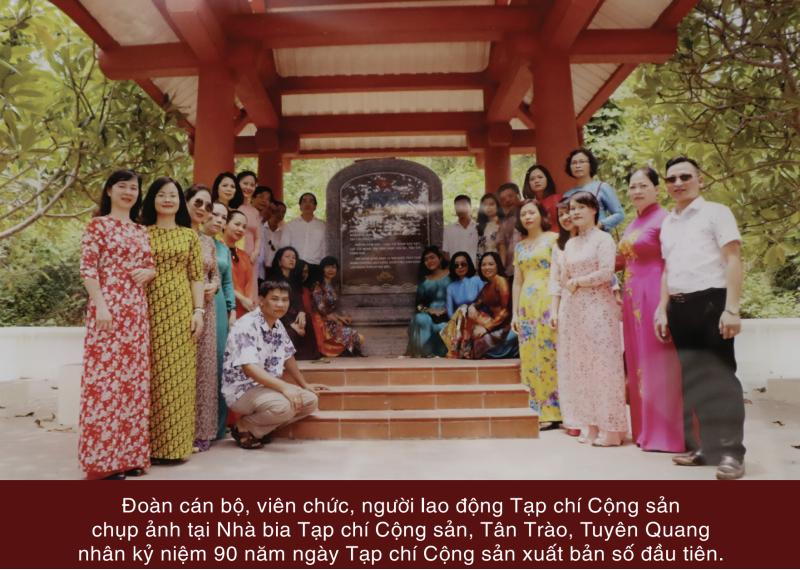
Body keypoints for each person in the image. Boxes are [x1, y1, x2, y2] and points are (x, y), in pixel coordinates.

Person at [655, 156, 746, 480]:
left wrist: (732, 309)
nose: (678, 183)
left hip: (711, 302)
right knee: (695, 380)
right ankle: (708, 448)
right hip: (679, 307)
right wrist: (662, 308)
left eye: (685, 177)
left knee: (721, 379)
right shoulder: (668, 223)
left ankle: (732, 453)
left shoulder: (716, 213)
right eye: (671, 179)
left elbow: (733, 259)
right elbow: (668, 269)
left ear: (700, 180)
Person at [79, 170, 155, 479]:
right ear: (109, 190)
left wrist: (150, 273)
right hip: (107, 309)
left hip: (136, 312)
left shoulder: (140, 230)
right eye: (122, 186)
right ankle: (103, 461)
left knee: (133, 383)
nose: (128, 192)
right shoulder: (97, 225)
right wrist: (100, 305)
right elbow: (88, 269)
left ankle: (130, 457)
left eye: (133, 188)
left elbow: (149, 265)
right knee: (105, 383)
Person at [552, 191, 626, 446]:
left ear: (594, 210)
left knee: (603, 365)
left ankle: (611, 429)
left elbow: (606, 272)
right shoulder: (570, 244)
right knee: (581, 367)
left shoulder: (603, 239)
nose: (575, 213)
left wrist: (578, 282)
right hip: (574, 309)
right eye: (572, 208)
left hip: (598, 307)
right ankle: (591, 425)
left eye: (581, 207)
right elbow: (563, 277)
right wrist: (567, 282)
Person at [618, 167, 684, 453]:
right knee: (638, 362)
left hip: (654, 293)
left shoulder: (665, 219)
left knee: (658, 363)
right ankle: (645, 430)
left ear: (657, 189)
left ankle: (667, 435)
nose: (637, 191)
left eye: (643, 185)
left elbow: (672, 262)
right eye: (633, 186)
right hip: (632, 297)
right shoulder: (634, 221)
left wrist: (665, 305)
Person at [141, 176, 204, 463]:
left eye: (173, 195)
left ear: (180, 202)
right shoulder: (142, 233)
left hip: (180, 310)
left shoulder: (189, 235)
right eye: (161, 194)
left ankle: (176, 446)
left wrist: (198, 311)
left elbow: (196, 276)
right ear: (152, 199)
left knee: (179, 376)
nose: (167, 200)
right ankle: (148, 446)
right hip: (147, 309)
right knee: (151, 376)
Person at [222, 280, 328, 449]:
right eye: (275, 299)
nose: (280, 304)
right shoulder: (246, 325)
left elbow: (288, 356)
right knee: (284, 407)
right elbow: (249, 368)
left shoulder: (277, 324)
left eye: (285, 300)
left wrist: (304, 384)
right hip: (242, 389)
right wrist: (285, 387)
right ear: (261, 300)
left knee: (310, 401)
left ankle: (256, 429)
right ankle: (243, 426)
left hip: (267, 387)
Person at [511, 199, 561, 428]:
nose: (528, 217)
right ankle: (536, 410)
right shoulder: (519, 247)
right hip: (526, 305)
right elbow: (517, 281)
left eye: (532, 212)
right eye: (523, 214)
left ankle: (555, 411)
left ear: (541, 214)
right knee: (530, 355)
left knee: (550, 352)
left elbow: (560, 273)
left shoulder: (554, 239)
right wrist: (514, 313)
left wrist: (557, 305)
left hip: (548, 299)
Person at [185, 185, 220, 452]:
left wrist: (214, 286)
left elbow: (214, 273)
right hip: (180, 307)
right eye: (198, 202)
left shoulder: (208, 241)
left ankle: (202, 431)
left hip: (206, 311)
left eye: (208, 206)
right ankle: (179, 431)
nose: (203, 209)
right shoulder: (174, 235)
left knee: (204, 371)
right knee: (180, 369)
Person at [201, 202, 236, 440]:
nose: (219, 220)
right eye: (215, 214)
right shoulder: (192, 239)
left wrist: (232, 310)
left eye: (224, 217)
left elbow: (227, 282)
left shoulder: (223, 248)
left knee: (219, 362)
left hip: (220, 306)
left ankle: (218, 426)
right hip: (194, 303)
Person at [440, 251, 516, 359]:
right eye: (483, 265)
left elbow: (505, 312)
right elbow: (478, 302)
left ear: (497, 266)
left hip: (503, 325)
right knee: (465, 309)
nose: (486, 267)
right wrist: (472, 308)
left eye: (490, 264)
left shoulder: (501, 281)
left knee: (477, 345)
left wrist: (486, 329)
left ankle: (464, 349)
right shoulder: (487, 286)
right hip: (491, 323)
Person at [548, 198, 579, 436]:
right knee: (569, 362)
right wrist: (554, 311)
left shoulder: (595, 238)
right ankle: (574, 418)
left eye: (570, 212)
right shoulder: (558, 246)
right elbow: (555, 281)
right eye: (561, 215)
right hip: (567, 305)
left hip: (593, 304)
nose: (566, 217)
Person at [268, 247, 320, 360]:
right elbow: (274, 306)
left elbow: (298, 300)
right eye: (287, 257)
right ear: (279, 261)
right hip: (279, 317)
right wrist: (291, 324)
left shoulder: (294, 280)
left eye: (294, 257)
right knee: (290, 331)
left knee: (307, 318)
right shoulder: (274, 280)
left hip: (293, 314)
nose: (291, 260)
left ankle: (309, 355)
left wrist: (301, 312)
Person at [310, 256, 365, 357]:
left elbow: (332, 309)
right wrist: (338, 319)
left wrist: (342, 317)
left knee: (360, 338)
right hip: (323, 324)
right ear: (322, 268)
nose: (331, 270)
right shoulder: (318, 286)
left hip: (332, 321)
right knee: (358, 338)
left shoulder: (333, 286)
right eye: (328, 267)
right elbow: (322, 309)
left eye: (334, 267)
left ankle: (344, 352)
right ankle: (341, 352)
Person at [562, 148, 624, 232]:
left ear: (590, 165)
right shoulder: (567, 195)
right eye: (574, 163)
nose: (577, 166)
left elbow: (619, 214)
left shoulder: (602, 187)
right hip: (577, 238)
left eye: (582, 162)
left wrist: (600, 224)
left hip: (600, 236)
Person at [406, 246, 451, 358]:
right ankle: (425, 353)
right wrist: (429, 310)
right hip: (429, 315)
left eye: (432, 257)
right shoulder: (424, 281)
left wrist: (446, 310)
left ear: (440, 258)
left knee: (443, 325)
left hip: (449, 313)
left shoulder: (451, 275)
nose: (429, 261)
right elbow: (418, 305)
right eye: (426, 259)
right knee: (419, 318)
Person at [224, 210, 257, 318]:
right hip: (224, 305)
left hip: (244, 308)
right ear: (225, 224)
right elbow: (220, 282)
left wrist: (248, 300)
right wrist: (242, 299)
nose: (241, 229)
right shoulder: (216, 249)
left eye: (244, 227)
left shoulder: (244, 255)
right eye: (237, 224)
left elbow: (249, 283)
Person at [280, 192, 326, 265]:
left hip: (315, 266)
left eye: (311, 201)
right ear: (300, 206)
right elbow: (284, 247)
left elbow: (324, 249)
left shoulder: (323, 226)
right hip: (294, 265)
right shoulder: (290, 225)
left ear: (315, 207)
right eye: (304, 201)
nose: (307, 204)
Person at [235, 171, 262, 267]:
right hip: (234, 255)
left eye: (252, 185)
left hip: (251, 258)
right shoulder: (233, 208)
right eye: (245, 183)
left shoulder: (255, 211)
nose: (248, 187)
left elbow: (258, 237)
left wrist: (256, 252)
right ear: (237, 184)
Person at [496, 182, 523, 279]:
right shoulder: (503, 223)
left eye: (510, 196)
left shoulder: (528, 214)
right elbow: (502, 246)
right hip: (511, 269)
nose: (507, 200)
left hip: (529, 264)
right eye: (503, 199)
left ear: (518, 195)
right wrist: (501, 270)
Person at [443, 194, 478, 263]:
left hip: (475, 268)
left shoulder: (478, 228)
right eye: (458, 206)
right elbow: (446, 253)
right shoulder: (448, 229)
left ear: (470, 207)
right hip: (456, 268)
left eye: (464, 205)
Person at [259, 199, 285, 282]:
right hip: (260, 267)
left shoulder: (284, 232)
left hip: (275, 270)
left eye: (283, 212)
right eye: (278, 211)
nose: (280, 214)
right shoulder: (261, 227)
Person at [476, 193, 504, 260]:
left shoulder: (503, 224)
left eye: (491, 204)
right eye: (485, 205)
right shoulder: (479, 226)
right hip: (483, 262)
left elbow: (503, 249)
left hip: (498, 261)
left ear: (497, 206)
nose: (488, 207)